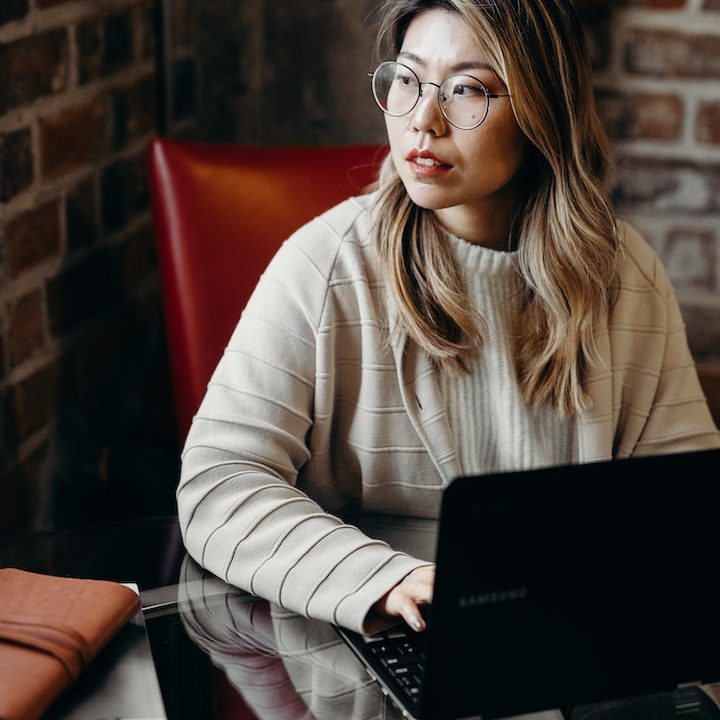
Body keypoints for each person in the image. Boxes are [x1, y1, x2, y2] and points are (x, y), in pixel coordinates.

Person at [177, 0, 720, 637]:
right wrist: (380, 578)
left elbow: (686, 507)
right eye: (406, 80)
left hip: (570, 638)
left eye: (467, 90)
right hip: (380, 638)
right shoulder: (325, 265)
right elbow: (218, 485)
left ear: (541, 112)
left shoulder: (623, 272)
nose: (422, 121)